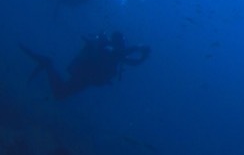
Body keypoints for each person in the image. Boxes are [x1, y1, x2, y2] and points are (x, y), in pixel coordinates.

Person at [20, 31, 150, 100]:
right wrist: (138, 47)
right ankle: (48, 64)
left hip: (88, 79)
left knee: (61, 93)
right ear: (117, 41)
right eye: (122, 42)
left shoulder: (116, 54)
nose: (123, 44)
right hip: (84, 75)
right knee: (60, 93)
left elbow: (133, 62)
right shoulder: (109, 49)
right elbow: (122, 53)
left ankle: (48, 65)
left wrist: (144, 57)